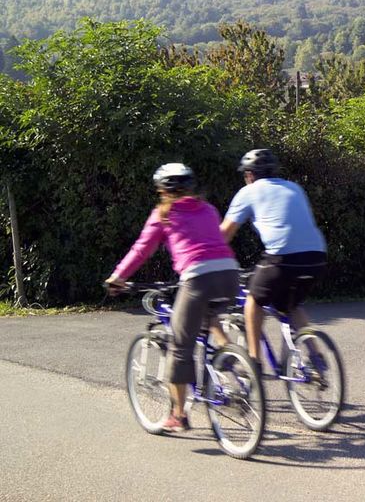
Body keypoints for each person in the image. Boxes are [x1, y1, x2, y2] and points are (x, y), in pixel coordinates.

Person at [106, 163, 239, 432]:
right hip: (229, 275)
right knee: (207, 315)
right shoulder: (209, 209)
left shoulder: (163, 214)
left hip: (198, 278)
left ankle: (178, 416)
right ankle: (231, 356)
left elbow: (142, 249)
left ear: (162, 191)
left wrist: (118, 277)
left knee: (180, 346)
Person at [220, 149, 327, 371]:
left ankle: (253, 362)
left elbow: (224, 235)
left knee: (253, 302)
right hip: (317, 256)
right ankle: (316, 357)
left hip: (282, 257)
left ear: (250, 174)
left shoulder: (248, 192)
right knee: (291, 306)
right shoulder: (294, 188)